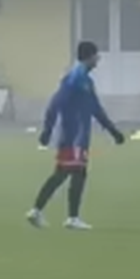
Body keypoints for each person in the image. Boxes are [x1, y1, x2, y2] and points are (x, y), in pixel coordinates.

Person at [26, 40, 125, 230]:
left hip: (73, 136)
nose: (98, 59)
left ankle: (38, 211)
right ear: (90, 57)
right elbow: (56, 103)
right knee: (75, 173)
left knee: (63, 174)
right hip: (74, 137)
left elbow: (95, 109)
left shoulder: (83, 80)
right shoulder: (75, 79)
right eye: (96, 56)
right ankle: (71, 218)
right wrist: (47, 130)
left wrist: (113, 131)